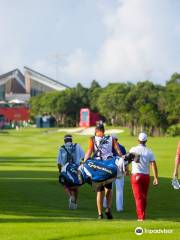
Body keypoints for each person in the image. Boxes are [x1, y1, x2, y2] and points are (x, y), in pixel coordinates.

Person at [83, 124, 123, 219]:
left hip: (97, 167)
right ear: (104, 131)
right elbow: (118, 150)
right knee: (109, 189)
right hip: (108, 166)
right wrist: (122, 157)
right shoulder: (111, 138)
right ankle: (108, 208)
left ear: (96, 130)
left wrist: (84, 161)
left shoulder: (93, 139)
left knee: (99, 191)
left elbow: (89, 151)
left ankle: (100, 214)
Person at [129, 132, 158, 221]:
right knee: (144, 196)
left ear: (138, 140)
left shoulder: (133, 149)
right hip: (146, 176)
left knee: (138, 197)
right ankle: (142, 214)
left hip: (136, 175)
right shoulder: (149, 151)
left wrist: (126, 170)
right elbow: (153, 164)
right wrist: (156, 178)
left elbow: (127, 160)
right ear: (146, 141)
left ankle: (140, 217)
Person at [57, 134, 84, 209]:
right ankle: (75, 203)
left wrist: (60, 171)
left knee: (66, 185)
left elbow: (59, 163)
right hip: (76, 169)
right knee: (76, 186)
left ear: (64, 141)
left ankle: (71, 196)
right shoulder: (77, 146)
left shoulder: (61, 148)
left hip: (65, 169)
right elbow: (83, 158)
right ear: (71, 140)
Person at [103, 134, 126, 212]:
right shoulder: (122, 147)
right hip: (119, 170)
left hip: (109, 169)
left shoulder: (107, 148)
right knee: (119, 189)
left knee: (108, 188)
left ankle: (105, 204)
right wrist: (126, 169)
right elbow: (124, 160)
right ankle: (119, 208)